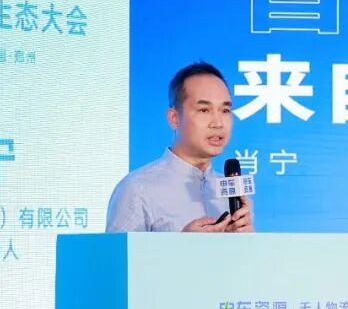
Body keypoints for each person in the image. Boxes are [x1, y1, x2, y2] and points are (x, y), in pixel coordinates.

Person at [106, 62, 254, 233]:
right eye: (204, 110)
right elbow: (115, 251)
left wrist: (246, 241)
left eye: (225, 110)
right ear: (174, 118)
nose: (218, 123)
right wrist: (181, 243)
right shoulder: (137, 189)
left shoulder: (236, 195)